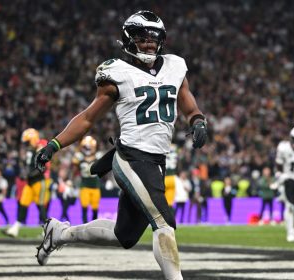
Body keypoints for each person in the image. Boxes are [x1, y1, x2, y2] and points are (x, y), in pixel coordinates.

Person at [34, 11, 208, 280]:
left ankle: (60, 233)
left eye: (154, 38)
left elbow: (186, 101)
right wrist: (54, 144)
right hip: (130, 157)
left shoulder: (175, 65)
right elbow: (88, 118)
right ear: (129, 39)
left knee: (124, 235)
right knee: (163, 221)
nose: (149, 43)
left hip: (156, 161)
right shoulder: (117, 71)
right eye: (142, 37)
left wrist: (197, 120)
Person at [3, 130, 51, 237]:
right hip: (30, 183)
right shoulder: (31, 150)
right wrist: (24, 173)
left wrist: (29, 174)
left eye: (27, 142)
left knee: (41, 206)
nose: (25, 145)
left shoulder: (41, 148)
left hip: (39, 181)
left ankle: (47, 231)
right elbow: (28, 167)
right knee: (23, 204)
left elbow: (43, 167)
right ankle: (15, 229)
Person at [72, 136, 103, 223]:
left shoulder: (98, 156)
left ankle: (93, 226)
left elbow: (104, 169)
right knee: (84, 208)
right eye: (86, 146)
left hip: (95, 186)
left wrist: (107, 180)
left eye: (89, 146)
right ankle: (85, 226)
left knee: (95, 209)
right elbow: (74, 171)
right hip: (84, 186)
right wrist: (70, 182)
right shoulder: (79, 157)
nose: (88, 148)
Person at [165, 144, 179, 214]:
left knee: (160, 199)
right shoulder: (175, 148)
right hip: (172, 178)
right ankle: (171, 217)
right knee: (170, 202)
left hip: (165, 177)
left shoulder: (163, 146)